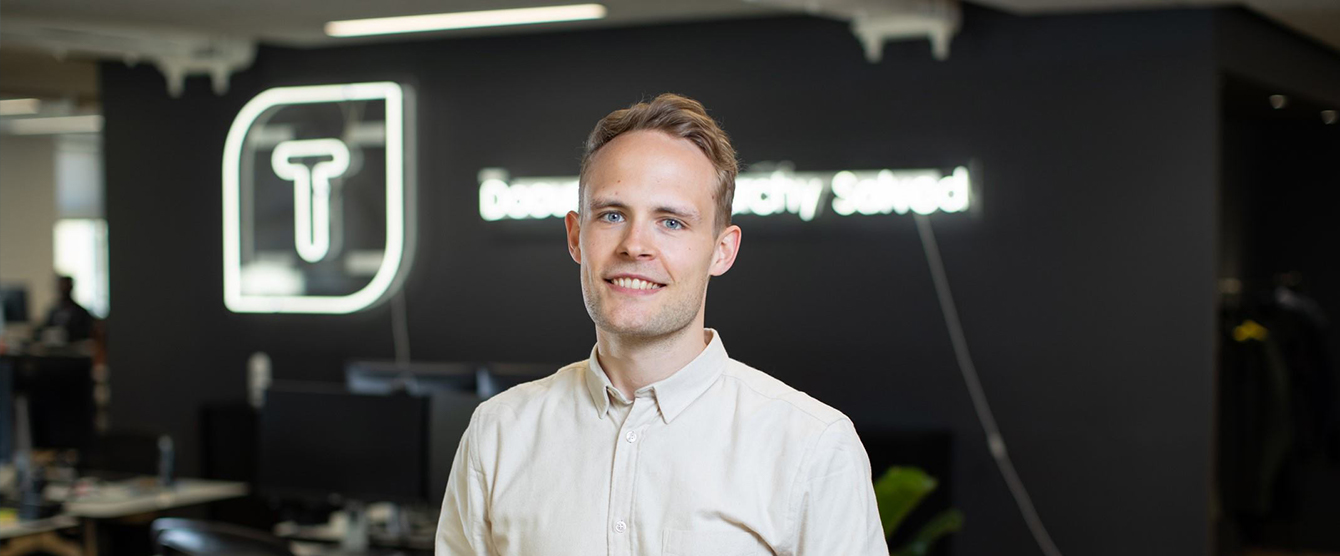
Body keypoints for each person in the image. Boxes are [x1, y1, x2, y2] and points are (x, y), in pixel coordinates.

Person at [436, 94, 887, 555]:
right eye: (612, 215)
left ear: (722, 251)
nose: (635, 246)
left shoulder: (811, 447)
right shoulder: (499, 433)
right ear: (576, 236)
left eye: (671, 222)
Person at [43, 275, 94, 343]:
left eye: (66, 286)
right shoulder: (53, 312)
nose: (64, 289)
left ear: (71, 287)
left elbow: (87, 332)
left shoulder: (81, 312)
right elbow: (46, 329)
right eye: (61, 286)